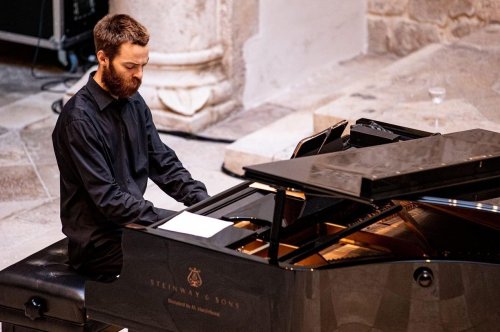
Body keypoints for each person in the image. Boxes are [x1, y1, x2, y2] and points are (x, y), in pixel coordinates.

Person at [52, 14, 209, 280]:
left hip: (132, 228)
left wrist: (205, 204)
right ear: (103, 59)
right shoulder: (79, 120)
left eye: (143, 66)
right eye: (130, 66)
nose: (139, 75)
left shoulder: (133, 101)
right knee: (186, 269)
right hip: (98, 245)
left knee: (213, 258)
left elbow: (163, 162)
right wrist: (174, 223)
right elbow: (110, 200)